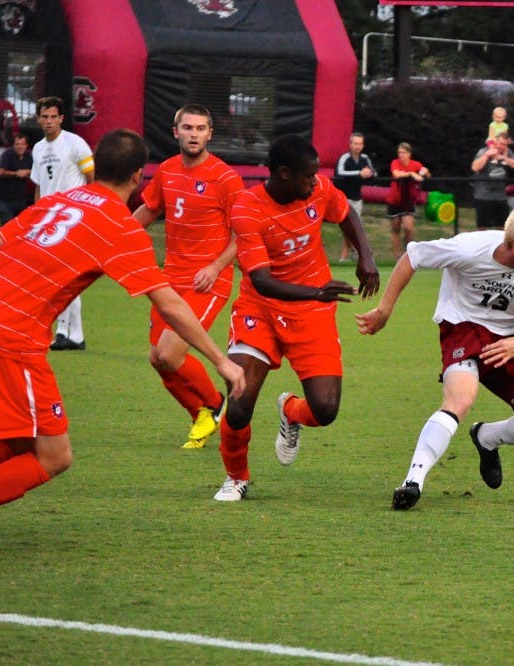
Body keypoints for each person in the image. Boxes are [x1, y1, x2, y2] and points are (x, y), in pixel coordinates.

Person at [0, 129, 246, 558]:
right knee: (54, 455)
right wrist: (222, 360)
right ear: (138, 177)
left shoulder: (58, 200)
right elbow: (171, 304)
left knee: (13, 439)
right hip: (14, 338)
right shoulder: (119, 229)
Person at [355, 203, 514, 510]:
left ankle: (487, 437)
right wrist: (384, 310)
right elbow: (412, 256)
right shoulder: (469, 249)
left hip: (509, 340)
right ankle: (413, 481)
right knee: (460, 399)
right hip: (463, 329)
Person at [214, 134, 380, 502]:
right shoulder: (246, 208)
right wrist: (317, 292)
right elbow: (261, 280)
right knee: (239, 401)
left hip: (311, 314)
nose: (315, 182)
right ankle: (236, 477)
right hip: (260, 308)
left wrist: (365, 257)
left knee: (325, 409)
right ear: (284, 174)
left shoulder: (317, 188)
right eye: (308, 176)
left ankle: (290, 410)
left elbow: (345, 212)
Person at [132, 103, 244, 450]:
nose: (193, 134)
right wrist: (113, 236)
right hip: (170, 279)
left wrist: (214, 267)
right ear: (175, 131)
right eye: (188, 128)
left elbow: (244, 233)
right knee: (158, 359)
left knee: (169, 353)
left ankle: (213, 403)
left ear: (210, 134)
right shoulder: (166, 170)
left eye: (200, 129)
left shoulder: (226, 178)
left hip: (207, 281)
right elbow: (149, 210)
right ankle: (201, 411)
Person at [30, 96, 94, 351]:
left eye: (53, 116)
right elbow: (38, 186)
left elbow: (91, 177)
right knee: (62, 276)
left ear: (61, 118)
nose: (49, 121)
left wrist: (87, 209)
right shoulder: (37, 149)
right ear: (38, 119)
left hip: (71, 218)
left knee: (63, 276)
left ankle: (63, 332)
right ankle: (75, 335)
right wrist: (36, 216)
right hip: (48, 220)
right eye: (44, 117)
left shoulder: (75, 143)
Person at [333, 131, 376, 262]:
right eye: (355, 143)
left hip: (358, 199)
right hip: (344, 197)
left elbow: (373, 172)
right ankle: (346, 254)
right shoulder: (344, 158)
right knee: (348, 226)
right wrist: (359, 173)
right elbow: (339, 172)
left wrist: (369, 173)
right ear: (350, 144)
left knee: (356, 227)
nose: (358, 146)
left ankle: (354, 252)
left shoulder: (365, 158)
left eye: (360, 143)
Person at [386, 142, 429, 259]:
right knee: (396, 228)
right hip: (394, 200)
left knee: (408, 228)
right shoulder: (395, 162)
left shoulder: (415, 164)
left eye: (403, 152)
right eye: (399, 152)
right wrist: (410, 174)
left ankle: (408, 254)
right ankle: (396, 257)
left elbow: (424, 174)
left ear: (409, 154)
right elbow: (396, 174)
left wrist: (424, 172)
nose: (401, 155)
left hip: (408, 201)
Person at [470, 131, 514, 230]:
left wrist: (503, 158)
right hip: (483, 195)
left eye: (504, 145)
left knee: (502, 228)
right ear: (495, 142)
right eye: (500, 143)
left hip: (500, 197)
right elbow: (475, 168)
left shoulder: (507, 152)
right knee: (482, 228)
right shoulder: (483, 151)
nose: (501, 147)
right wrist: (487, 156)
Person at [0, 132, 34, 224]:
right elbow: (1, 171)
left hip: (20, 198)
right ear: (13, 145)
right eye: (17, 144)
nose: (20, 147)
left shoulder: (28, 156)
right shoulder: (7, 154)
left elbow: (35, 170)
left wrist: (27, 171)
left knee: (19, 225)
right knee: (7, 224)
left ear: (26, 145)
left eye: (22, 144)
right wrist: (16, 173)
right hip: (5, 198)